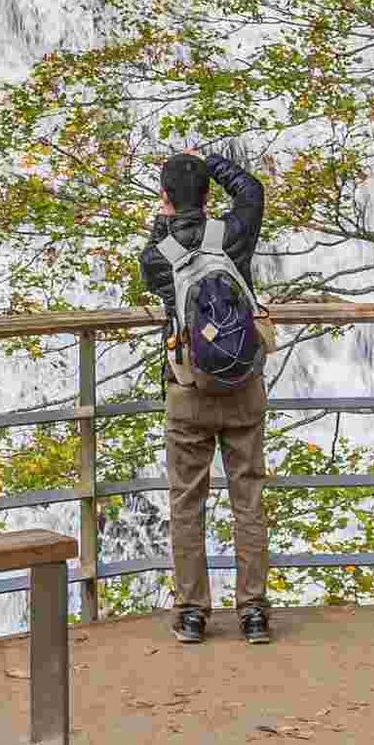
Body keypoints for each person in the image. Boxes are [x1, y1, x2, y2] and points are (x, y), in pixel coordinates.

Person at [139, 149, 271, 648]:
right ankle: (253, 612)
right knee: (249, 501)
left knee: (187, 504)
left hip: (188, 393)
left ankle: (192, 613)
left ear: (166, 197)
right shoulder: (232, 236)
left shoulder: (159, 256)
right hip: (242, 388)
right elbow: (252, 192)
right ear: (209, 195)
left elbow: (152, 268)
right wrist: (212, 161)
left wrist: (164, 219)